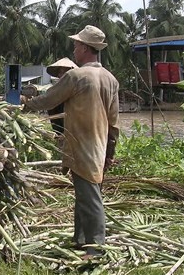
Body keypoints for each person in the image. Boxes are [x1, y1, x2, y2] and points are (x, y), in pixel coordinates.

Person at [23, 25, 119, 259]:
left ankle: (96, 247)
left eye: (76, 45)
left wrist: (25, 103)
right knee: (84, 193)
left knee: (90, 196)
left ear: (86, 48)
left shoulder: (76, 76)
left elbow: (49, 99)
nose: (74, 50)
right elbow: (114, 122)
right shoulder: (110, 79)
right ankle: (80, 240)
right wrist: (110, 152)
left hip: (82, 144)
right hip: (99, 144)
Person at [45, 57, 79, 136]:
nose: (61, 75)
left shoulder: (78, 91)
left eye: (64, 72)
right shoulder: (54, 91)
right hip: (61, 130)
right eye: (60, 72)